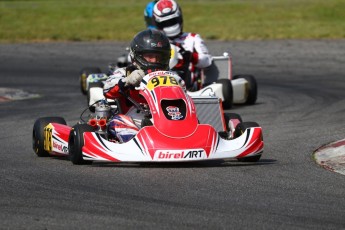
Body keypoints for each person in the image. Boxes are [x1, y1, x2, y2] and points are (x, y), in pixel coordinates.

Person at [89, 29, 172, 143]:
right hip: (134, 122)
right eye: (150, 56)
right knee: (119, 121)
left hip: (166, 121)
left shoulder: (171, 76)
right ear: (136, 56)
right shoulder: (124, 73)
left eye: (159, 57)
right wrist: (127, 81)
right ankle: (140, 142)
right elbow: (107, 89)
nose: (155, 61)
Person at [152, 0, 212, 89]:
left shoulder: (192, 38)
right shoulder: (154, 40)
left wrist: (191, 57)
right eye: (165, 23)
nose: (169, 25)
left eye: (172, 21)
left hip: (187, 84)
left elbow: (207, 61)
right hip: (158, 82)